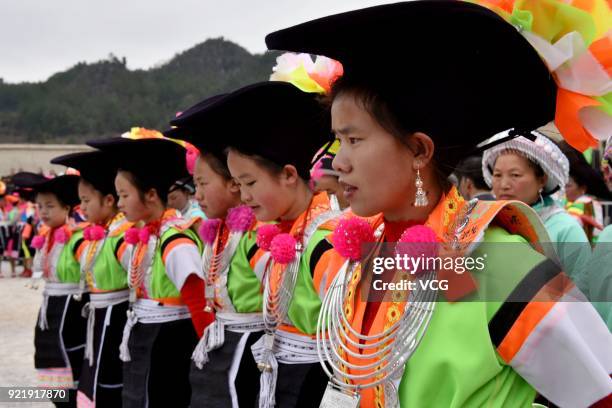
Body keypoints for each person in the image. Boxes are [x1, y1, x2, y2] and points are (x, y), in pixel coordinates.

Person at [265, 0, 612, 406]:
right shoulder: (362, 257)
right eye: (338, 142)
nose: (338, 162)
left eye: (354, 139)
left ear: (418, 150)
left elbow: (597, 392)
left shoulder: (498, 263)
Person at [87, 135, 214, 408]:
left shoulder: (174, 240)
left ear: (152, 195)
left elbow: (195, 296)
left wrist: (206, 350)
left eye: (124, 195)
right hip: (148, 331)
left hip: (169, 339)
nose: (119, 204)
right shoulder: (146, 236)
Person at [165, 98, 264, 407]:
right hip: (223, 342)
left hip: (249, 349)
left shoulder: (257, 234)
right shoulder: (218, 232)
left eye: (203, 183)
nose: (199, 194)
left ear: (234, 184)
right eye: (195, 184)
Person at [51, 150, 132, 407]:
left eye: (86, 201)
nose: (81, 208)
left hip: (116, 319)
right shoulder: (101, 233)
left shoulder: (122, 236)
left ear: (109, 200)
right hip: (99, 318)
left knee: (109, 381)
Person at [12, 172, 87, 408]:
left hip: (71, 309)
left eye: (50, 206)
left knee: (70, 357)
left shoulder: (78, 238)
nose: (43, 212)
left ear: (67, 208)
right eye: (40, 206)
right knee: (48, 356)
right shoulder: (46, 237)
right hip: (50, 307)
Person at [482, 130, 592, 283]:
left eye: (515, 175)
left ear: (542, 180)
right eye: (497, 175)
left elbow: (583, 290)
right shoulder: (485, 224)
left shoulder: (565, 229)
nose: (504, 185)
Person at [560, 141, 612, 243]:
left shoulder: (586, 202)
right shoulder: (567, 201)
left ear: (582, 187)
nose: (564, 190)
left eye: (568, 186)